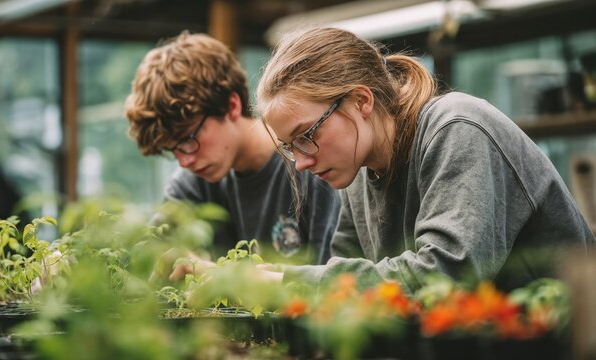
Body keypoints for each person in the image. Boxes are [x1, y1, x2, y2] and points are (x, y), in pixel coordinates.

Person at [242, 26, 596, 292]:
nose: (301, 162)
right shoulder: (357, 169)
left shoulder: (458, 127)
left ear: (361, 101)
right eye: (290, 147)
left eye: (307, 136)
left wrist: (284, 280)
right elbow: (349, 291)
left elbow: (444, 276)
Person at [124, 32, 340, 265]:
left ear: (231, 105)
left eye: (187, 139)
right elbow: (149, 252)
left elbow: (333, 284)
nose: (184, 161)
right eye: (172, 149)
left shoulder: (312, 165)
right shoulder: (194, 182)